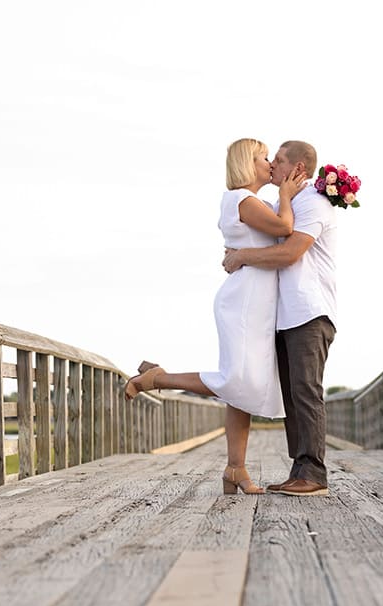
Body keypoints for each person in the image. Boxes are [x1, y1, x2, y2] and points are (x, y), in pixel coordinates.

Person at [124, 138, 307, 495]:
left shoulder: (254, 201)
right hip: (244, 302)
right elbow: (285, 229)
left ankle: (235, 469)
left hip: (255, 300)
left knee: (243, 387)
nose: (269, 163)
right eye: (263, 158)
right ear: (246, 164)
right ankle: (158, 379)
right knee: (238, 380)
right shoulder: (242, 199)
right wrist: (286, 197)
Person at [221, 140, 337, 497]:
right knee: (292, 393)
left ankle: (313, 473)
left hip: (308, 310)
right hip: (284, 315)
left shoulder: (315, 204)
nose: (272, 165)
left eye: (280, 160)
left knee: (305, 391)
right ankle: (299, 469)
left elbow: (289, 252)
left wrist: (242, 256)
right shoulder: (284, 202)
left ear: (298, 169)